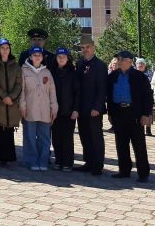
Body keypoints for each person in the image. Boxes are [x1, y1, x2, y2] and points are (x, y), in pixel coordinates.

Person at [107, 51, 152, 182]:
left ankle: (143, 173)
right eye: (118, 59)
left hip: (135, 114)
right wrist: (110, 113)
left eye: (121, 59)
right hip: (118, 113)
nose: (118, 61)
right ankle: (124, 170)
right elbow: (109, 96)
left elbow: (148, 96)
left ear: (129, 61)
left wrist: (146, 114)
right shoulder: (113, 76)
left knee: (139, 145)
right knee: (121, 144)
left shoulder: (139, 76)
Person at [20, 46, 58, 171]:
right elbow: (22, 91)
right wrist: (22, 105)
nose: (37, 57)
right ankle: (31, 160)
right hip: (30, 109)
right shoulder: (24, 71)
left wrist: (54, 107)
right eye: (35, 55)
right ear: (30, 57)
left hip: (45, 110)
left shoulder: (47, 72)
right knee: (30, 137)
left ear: (42, 57)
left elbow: (52, 92)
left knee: (45, 137)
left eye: (39, 55)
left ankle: (43, 160)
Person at [74, 41, 107, 176]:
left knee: (96, 137)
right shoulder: (80, 63)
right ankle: (88, 162)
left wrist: (97, 107)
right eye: (82, 48)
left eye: (87, 47)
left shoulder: (100, 65)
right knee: (84, 135)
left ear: (93, 48)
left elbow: (102, 88)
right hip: (81, 108)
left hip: (94, 108)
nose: (85, 50)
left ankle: (97, 165)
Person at [0, 38, 22, 166]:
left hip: (12, 103)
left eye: (7, 48)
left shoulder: (15, 64)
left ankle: (8, 158)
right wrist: (4, 96)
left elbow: (19, 84)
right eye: (2, 48)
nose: (5, 50)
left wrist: (12, 97)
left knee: (9, 130)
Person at [51, 47, 80, 171]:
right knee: (56, 137)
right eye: (59, 57)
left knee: (67, 138)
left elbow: (78, 93)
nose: (61, 59)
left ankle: (68, 162)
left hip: (69, 111)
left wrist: (76, 109)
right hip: (55, 111)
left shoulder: (73, 73)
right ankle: (58, 160)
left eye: (63, 57)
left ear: (68, 58)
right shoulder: (52, 73)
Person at [135, 58, 153, 136]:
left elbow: (151, 82)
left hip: (147, 94)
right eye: (139, 63)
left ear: (144, 65)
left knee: (149, 112)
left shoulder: (149, 73)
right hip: (137, 96)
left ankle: (148, 129)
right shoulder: (133, 73)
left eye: (142, 63)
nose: (140, 65)